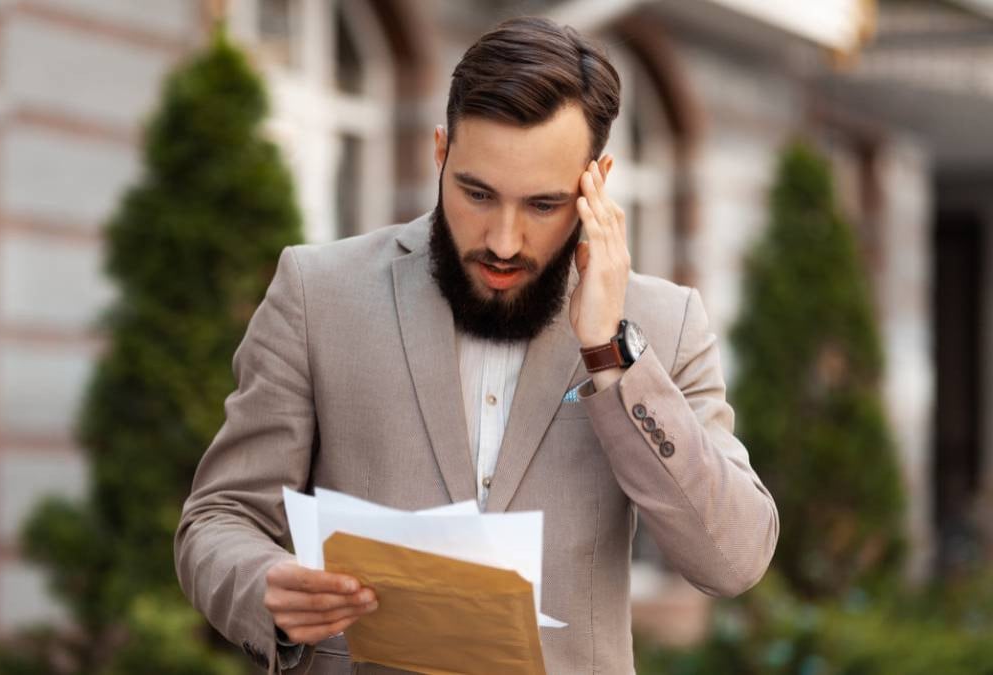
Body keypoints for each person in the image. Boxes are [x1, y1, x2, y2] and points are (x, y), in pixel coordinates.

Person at [175, 15, 777, 675]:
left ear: (596, 183)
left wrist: (610, 355)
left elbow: (733, 558)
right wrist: (265, 584)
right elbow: (218, 517)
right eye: (476, 193)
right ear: (441, 152)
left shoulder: (663, 325)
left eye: (543, 205)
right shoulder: (317, 294)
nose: (503, 240)